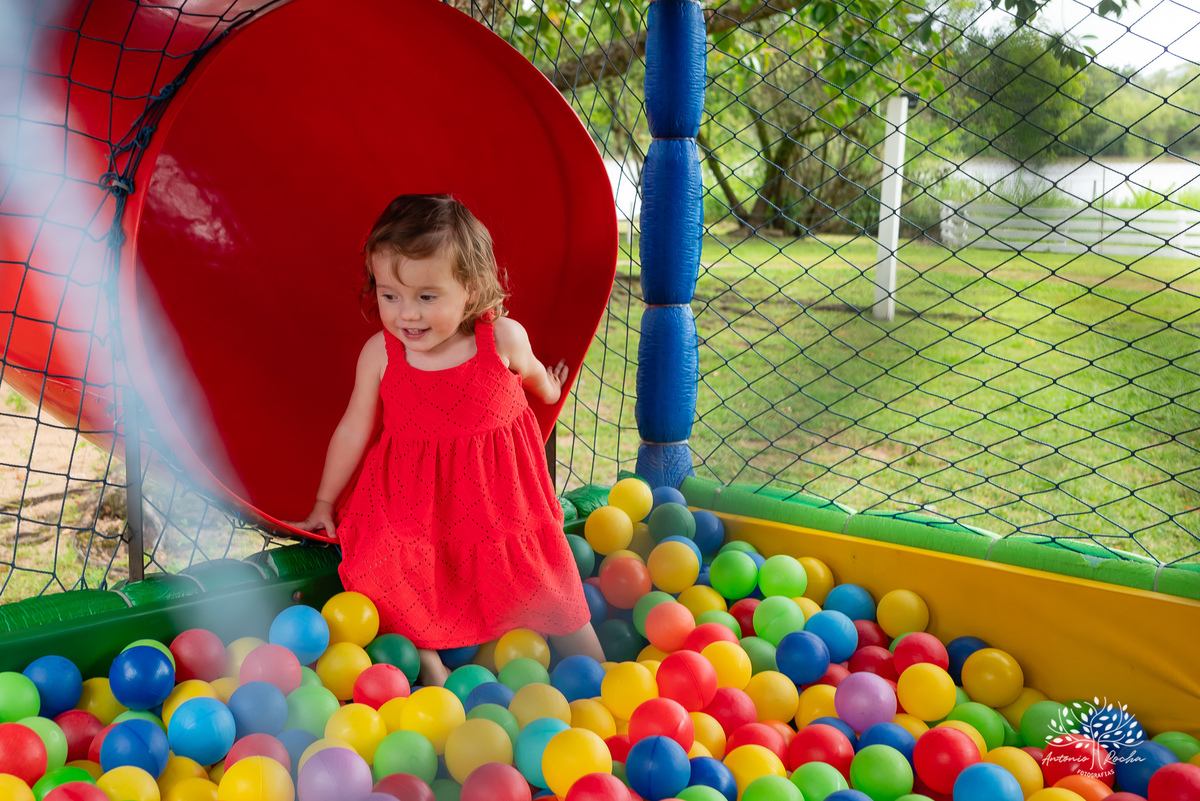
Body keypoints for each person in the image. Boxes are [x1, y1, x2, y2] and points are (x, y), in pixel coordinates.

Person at [291, 193, 604, 686]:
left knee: (541, 573)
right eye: (390, 295)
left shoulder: (502, 340)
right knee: (392, 568)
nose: (407, 315)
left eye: (426, 297)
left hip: (500, 504)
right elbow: (354, 426)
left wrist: (551, 387)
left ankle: (601, 670)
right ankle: (432, 673)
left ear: (471, 290)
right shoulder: (382, 354)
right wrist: (324, 501)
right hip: (414, 505)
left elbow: (537, 380)